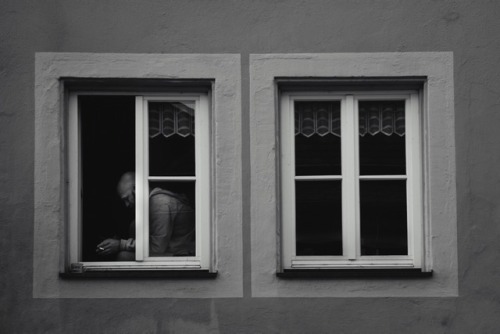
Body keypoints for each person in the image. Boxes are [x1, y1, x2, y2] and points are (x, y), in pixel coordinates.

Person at [96, 172, 195, 260]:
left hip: (182, 255)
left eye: (127, 198)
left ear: (137, 188)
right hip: (172, 251)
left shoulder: (159, 203)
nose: (126, 205)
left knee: (123, 256)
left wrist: (121, 244)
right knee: (133, 226)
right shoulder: (152, 202)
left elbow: (157, 249)